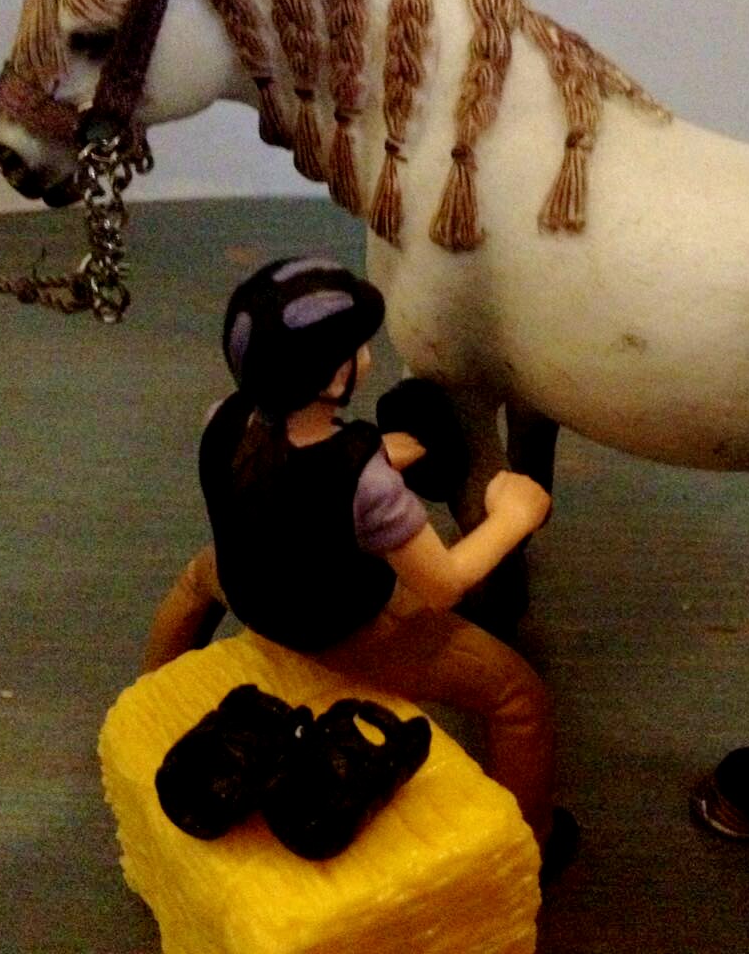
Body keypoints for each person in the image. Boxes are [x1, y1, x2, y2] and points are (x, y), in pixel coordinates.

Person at [142, 255, 574, 875]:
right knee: (518, 696)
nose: (365, 357)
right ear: (330, 376)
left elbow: (283, 473)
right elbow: (445, 585)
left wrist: (372, 451)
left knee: (194, 581)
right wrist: (512, 516)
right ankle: (534, 848)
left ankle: (150, 699)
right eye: (356, 349)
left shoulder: (222, 419)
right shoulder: (365, 484)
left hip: (245, 585)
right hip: (339, 628)